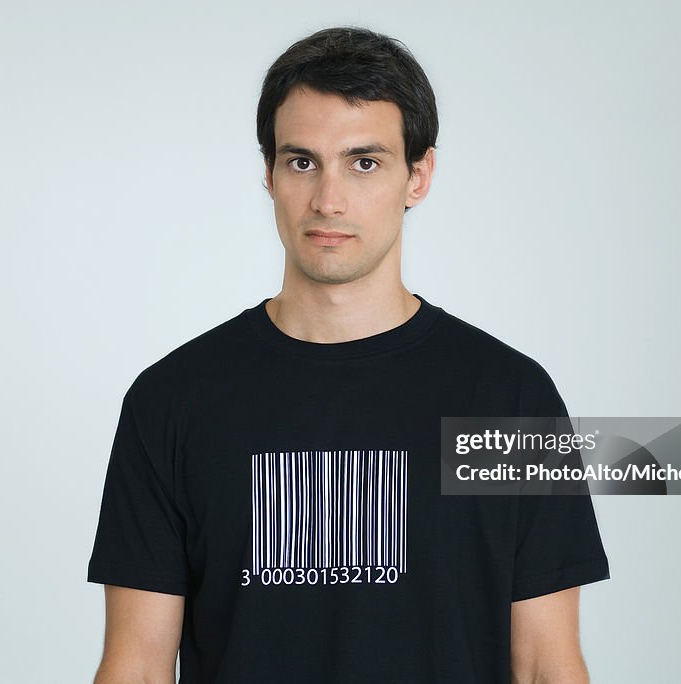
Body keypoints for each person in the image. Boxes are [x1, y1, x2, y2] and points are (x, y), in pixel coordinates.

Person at [87, 25, 610, 683]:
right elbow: (135, 664)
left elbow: (546, 665)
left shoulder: (512, 400)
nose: (327, 199)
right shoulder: (172, 400)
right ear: (269, 175)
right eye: (301, 161)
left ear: (418, 177)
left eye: (365, 162)